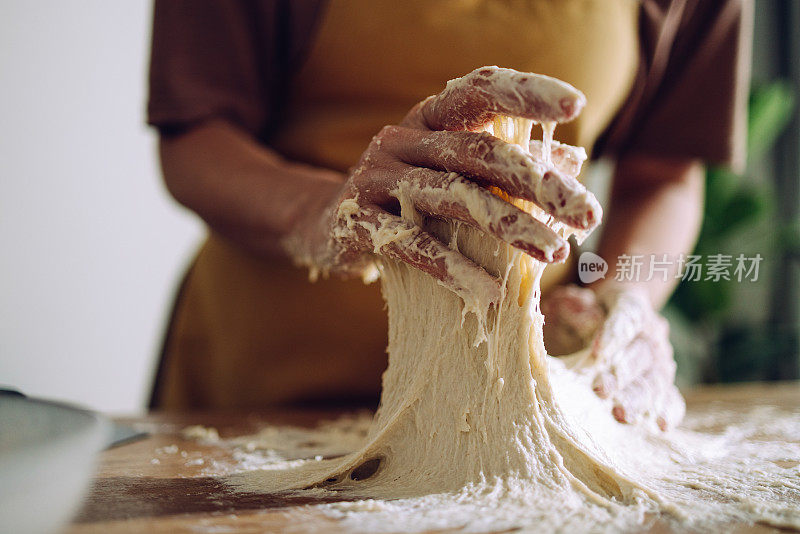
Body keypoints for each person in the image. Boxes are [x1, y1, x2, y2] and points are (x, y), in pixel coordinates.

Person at [147, 0, 751, 430]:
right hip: (259, 389)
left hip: (514, 387)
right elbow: (197, 136)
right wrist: (326, 212)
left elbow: (663, 174)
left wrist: (622, 298)